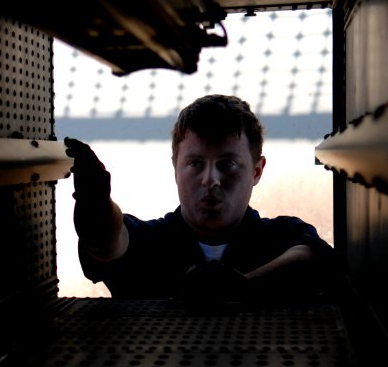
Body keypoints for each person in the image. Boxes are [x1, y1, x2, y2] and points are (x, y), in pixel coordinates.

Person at [65, 94, 335, 305]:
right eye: (195, 163)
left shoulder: (282, 236)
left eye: (227, 164)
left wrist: (244, 287)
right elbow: (105, 241)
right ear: (175, 168)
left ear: (257, 171)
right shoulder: (147, 243)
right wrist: (96, 205)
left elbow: (315, 258)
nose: (210, 180)